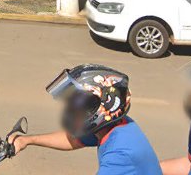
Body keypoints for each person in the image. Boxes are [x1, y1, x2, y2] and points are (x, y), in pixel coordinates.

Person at [8, 64, 162, 175]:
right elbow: (73, 140)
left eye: (79, 105)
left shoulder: (119, 156)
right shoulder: (115, 126)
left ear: (104, 105)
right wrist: (27, 140)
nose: (72, 110)